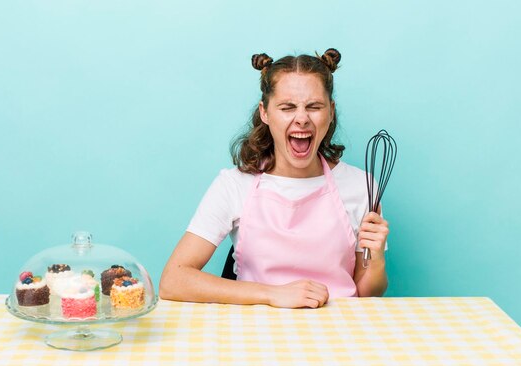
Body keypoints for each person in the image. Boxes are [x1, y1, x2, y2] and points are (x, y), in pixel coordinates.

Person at [159, 48, 389, 308]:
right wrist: (271, 294)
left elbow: (368, 294)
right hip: (257, 333)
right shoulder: (234, 185)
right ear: (265, 112)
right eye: (287, 107)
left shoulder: (362, 186)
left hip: (338, 332)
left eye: (314, 107)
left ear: (331, 111)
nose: (301, 118)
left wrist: (377, 257)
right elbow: (173, 279)